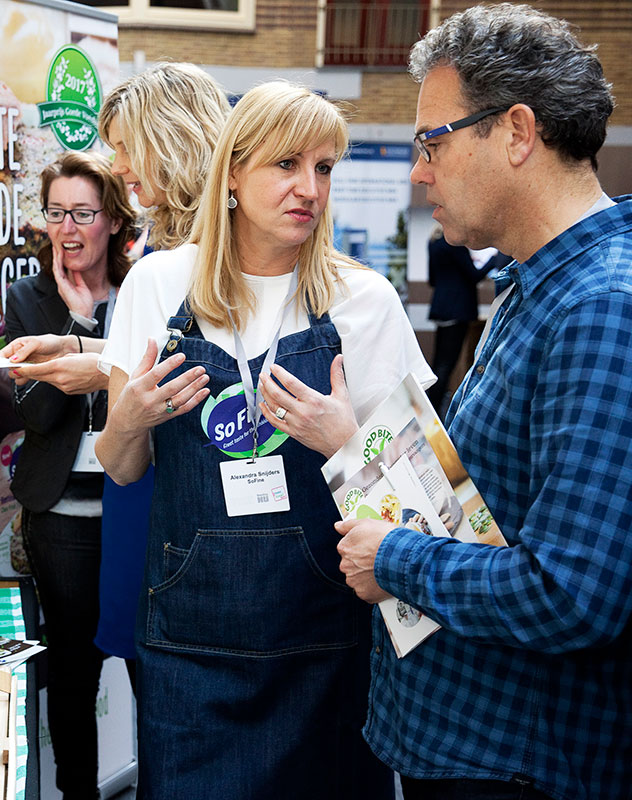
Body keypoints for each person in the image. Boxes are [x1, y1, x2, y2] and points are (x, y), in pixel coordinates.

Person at [96, 80, 433, 799]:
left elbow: (425, 508)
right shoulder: (157, 286)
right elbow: (121, 468)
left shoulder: (364, 302)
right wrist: (129, 417)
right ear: (233, 174)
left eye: (324, 167)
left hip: (327, 649)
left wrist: (345, 440)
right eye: (287, 164)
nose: (309, 188)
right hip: (190, 652)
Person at [335, 6, 631, 800]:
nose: (418, 170)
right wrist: (354, 441)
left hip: (518, 764)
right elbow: (482, 495)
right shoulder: (537, 285)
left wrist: (390, 558)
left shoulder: (600, 307)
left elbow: (571, 595)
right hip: (471, 746)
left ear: (516, 132)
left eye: (433, 141)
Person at [0, 63, 230, 679]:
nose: (120, 164)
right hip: (145, 480)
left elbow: (196, 368)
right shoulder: (165, 246)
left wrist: (98, 369)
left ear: (168, 140)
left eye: (126, 147)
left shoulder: (187, 255)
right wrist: (93, 356)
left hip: (168, 483)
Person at [3, 151, 135, 800]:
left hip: (135, 513)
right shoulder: (28, 299)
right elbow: (37, 412)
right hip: (61, 521)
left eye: (83, 213)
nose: (69, 228)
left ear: (111, 219)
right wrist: (76, 319)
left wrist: (96, 334)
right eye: (57, 213)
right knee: (74, 675)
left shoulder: (144, 291)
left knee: (146, 667)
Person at [424, 229, 507, 415]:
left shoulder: (433, 242)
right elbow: (474, 275)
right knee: (446, 366)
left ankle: (429, 411)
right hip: (458, 309)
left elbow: (432, 280)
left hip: (441, 308)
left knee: (439, 365)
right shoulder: (455, 244)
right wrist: (494, 258)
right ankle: (434, 416)